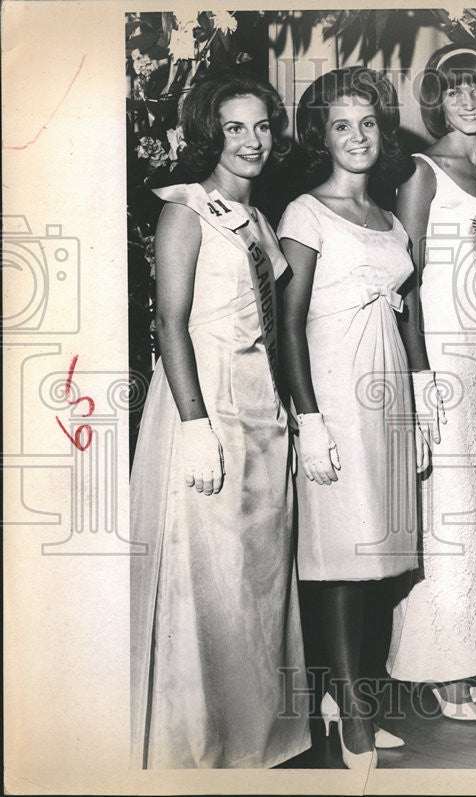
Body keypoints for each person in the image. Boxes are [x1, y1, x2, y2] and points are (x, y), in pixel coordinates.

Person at [130, 72, 310, 768]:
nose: (252, 141)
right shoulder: (186, 211)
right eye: (236, 127)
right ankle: (195, 745)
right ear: (213, 133)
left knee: (254, 585)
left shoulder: (260, 219)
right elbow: (167, 321)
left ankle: (253, 740)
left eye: (262, 125)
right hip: (203, 406)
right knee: (204, 579)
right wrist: (196, 423)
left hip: (262, 412)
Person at [278, 66, 424, 769]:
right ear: (321, 136)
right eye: (342, 125)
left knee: (380, 556)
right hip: (332, 391)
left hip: (387, 387)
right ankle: (353, 715)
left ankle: (349, 694)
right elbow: (288, 322)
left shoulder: (391, 218)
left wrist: (418, 406)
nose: (358, 136)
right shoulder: (305, 213)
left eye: (368, 122)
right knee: (340, 553)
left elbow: (408, 308)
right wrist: (308, 418)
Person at [386, 44, 476, 720]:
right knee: (446, 515)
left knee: (473, 511)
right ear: (438, 96)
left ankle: (465, 657)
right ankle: (438, 670)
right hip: (436, 359)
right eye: (455, 89)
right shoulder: (422, 172)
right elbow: (401, 283)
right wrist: (419, 372)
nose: (468, 100)